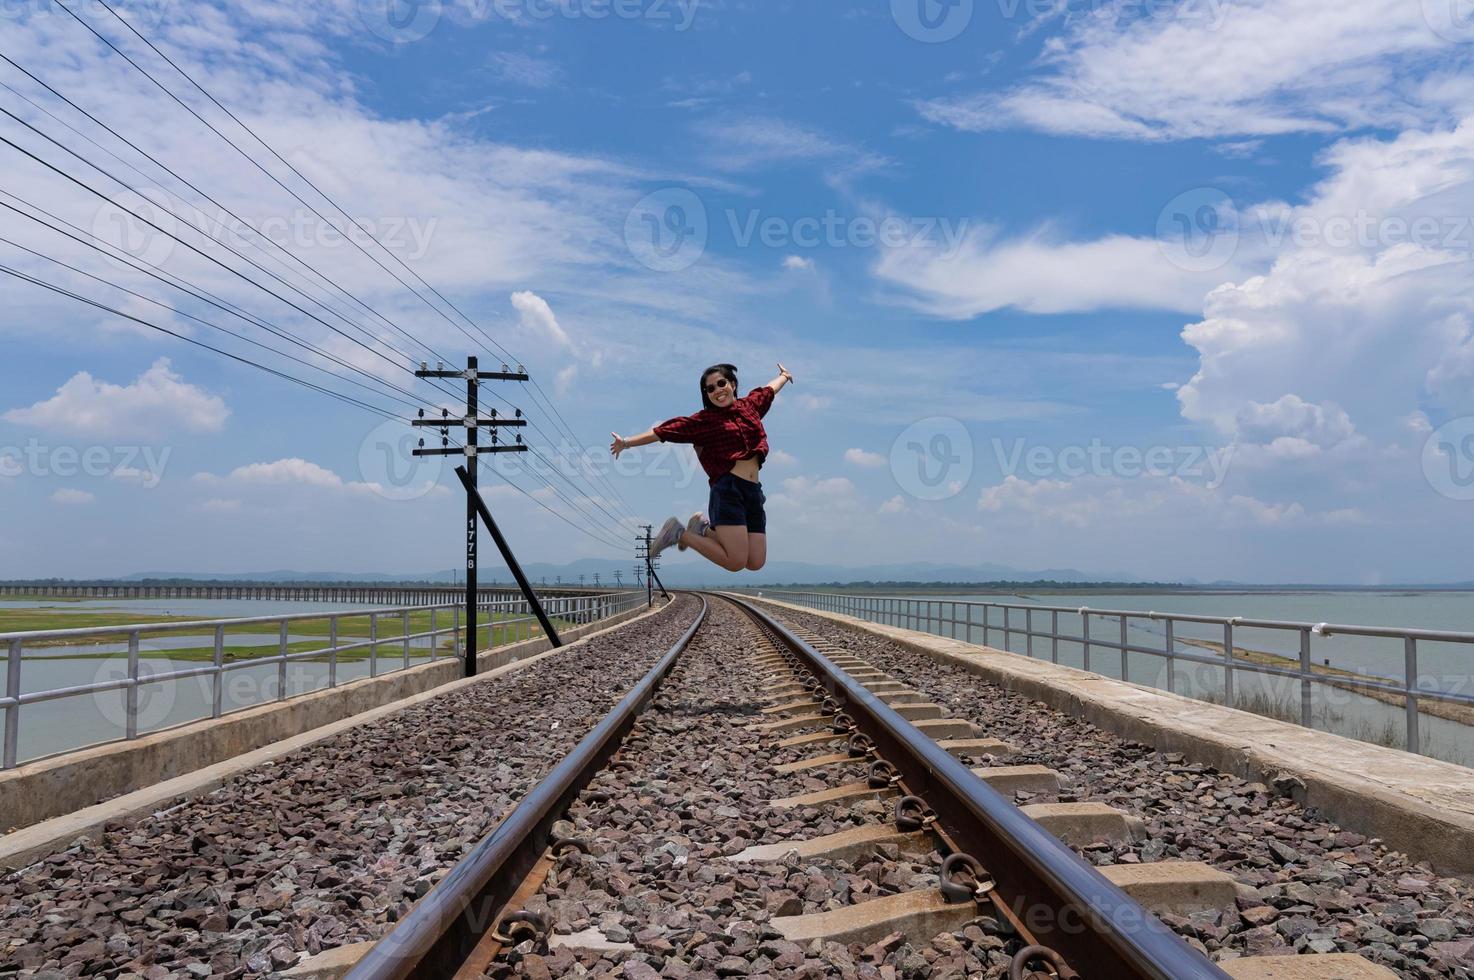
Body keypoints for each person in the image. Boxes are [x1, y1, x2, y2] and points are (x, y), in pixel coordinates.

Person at [610, 362, 793, 572]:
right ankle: (678, 532)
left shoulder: (750, 407)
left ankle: (702, 528)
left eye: (721, 383)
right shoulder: (706, 421)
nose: (717, 391)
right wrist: (626, 442)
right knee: (735, 562)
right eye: (710, 389)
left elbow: (769, 390)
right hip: (728, 490)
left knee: (755, 562)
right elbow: (664, 431)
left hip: (753, 491)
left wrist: (784, 377)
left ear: (732, 384)